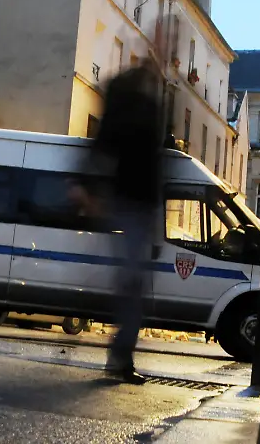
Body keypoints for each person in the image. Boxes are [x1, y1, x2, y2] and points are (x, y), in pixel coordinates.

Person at [92, 64, 164, 383]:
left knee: (133, 286)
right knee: (134, 287)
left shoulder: (122, 112)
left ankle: (120, 356)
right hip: (136, 204)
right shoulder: (140, 112)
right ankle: (120, 357)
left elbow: (102, 151)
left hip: (130, 203)